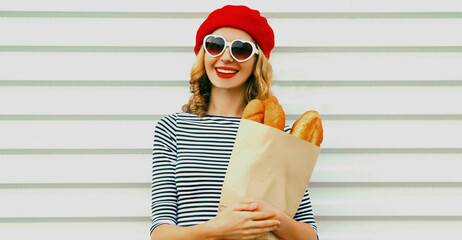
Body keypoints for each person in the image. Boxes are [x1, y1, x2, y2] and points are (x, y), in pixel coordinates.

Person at [150, 5, 319, 240]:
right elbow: (160, 233)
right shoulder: (173, 128)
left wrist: (274, 217)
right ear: (204, 53)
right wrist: (218, 228)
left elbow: (310, 235)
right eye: (216, 45)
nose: (226, 57)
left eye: (241, 49)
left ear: (257, 61)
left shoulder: (279, 133)